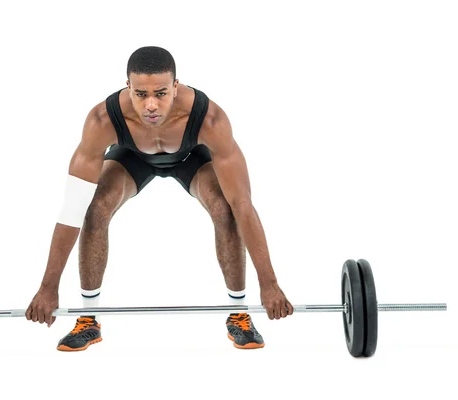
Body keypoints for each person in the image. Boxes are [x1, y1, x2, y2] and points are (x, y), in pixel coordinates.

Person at [25, 46, 293, 351]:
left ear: (176, 87)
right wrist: (48, 287)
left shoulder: (210, 120)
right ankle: (88, 319)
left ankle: (239, 314)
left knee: (225, 208)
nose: (151, 105)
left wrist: (269, 284)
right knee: (94, 208)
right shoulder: (102, 121)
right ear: (128, 87)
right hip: (132, 156)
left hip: (191, 156)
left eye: (161, 93)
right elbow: (72, 209)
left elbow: (243, 205)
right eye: (141, 94)